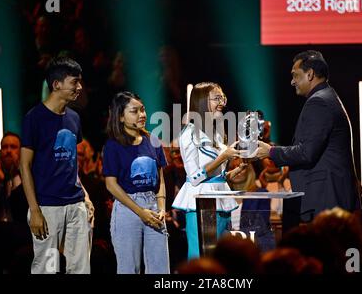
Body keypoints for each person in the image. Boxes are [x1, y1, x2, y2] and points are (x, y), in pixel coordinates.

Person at [257, 50, 361, 233]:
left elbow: (306, 152)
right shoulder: (327, 97)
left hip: (327, 198)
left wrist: (270, 152)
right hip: (330, 196)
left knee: (330, 257)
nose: (292, 81)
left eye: (295, 75)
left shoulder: (319, 102)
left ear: (310, 74)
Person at [20, 57, 95, 274]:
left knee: (81, 268)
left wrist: (86, 197)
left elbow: (71, 164)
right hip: (47, 208)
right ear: (56, 84)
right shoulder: (34, 118)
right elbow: (24, 166)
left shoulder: (74, 118)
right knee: (47, 268)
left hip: (76, 205)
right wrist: (34, 210)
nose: (79, 87)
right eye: (75, 82)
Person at [172, 82, 246, 259]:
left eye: (223, 97)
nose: (221, 102)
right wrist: (223, 156)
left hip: (221, 200)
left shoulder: (217, 134)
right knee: (201, 257)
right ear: (201, 102)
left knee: (221, 258)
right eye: (216, 98)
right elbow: (195, 177)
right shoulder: (188, 134)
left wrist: (230, 174)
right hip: (200, 204)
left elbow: (214, 177)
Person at [103, 92, 169, 274]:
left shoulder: (153, 141)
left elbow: (160, 180)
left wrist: (161, 208)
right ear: (121, 116)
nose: (142, 115)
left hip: (154, 208)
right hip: (127, 208)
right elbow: (111, 184)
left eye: (143, 109)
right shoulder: (113, 145)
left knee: (160, 269)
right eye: (135, 111)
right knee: (129, 268)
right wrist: (140, 211)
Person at [226, 158, 276, 252]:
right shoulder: (223, 196)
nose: (237, 171)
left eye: (241, 167)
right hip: (229, 246)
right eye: (232, 167)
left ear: (249, 171)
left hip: (254, 245)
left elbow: (260, 226)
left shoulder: (261, 194)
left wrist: (233, 236)